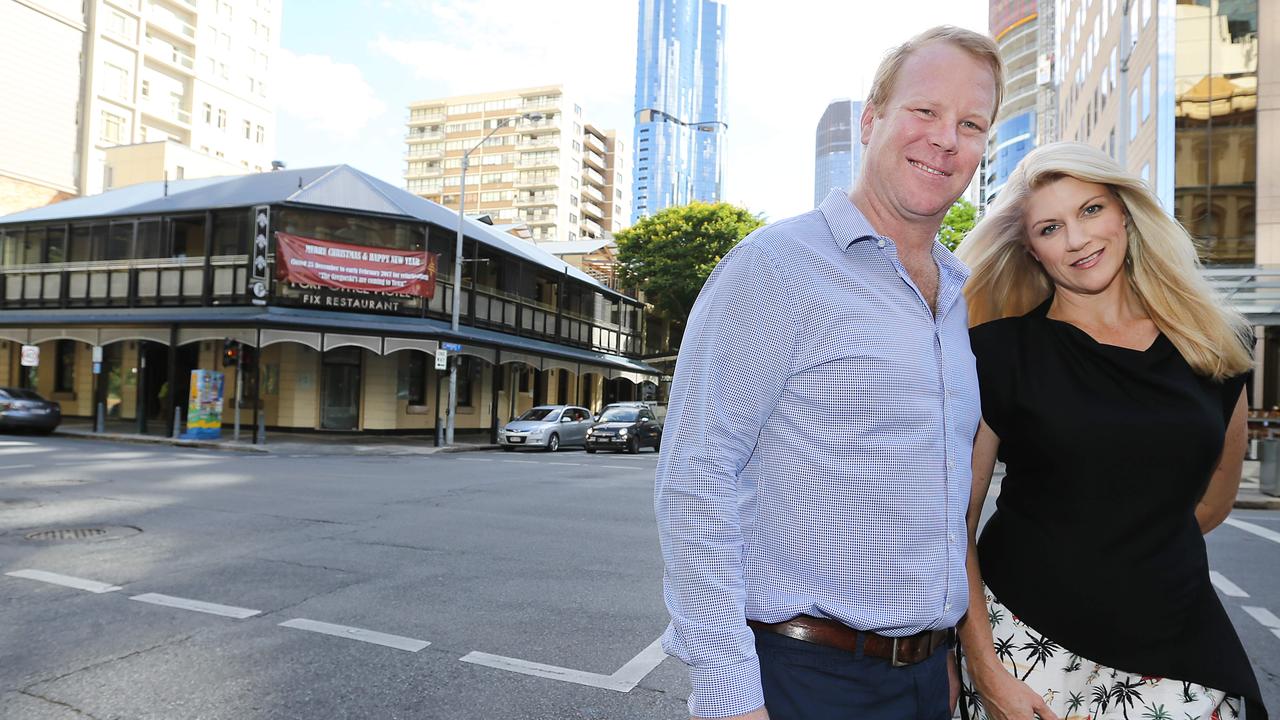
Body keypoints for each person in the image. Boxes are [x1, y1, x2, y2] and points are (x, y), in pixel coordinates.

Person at [654, 25, 1004, 720]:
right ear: (872, 119)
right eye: (925, 111)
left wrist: (948, 663)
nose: (945, 139)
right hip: (802, 681)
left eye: (970, 124)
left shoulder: (962, 299)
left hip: (928, 680)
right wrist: (732, 698)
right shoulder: (776, 267)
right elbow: (695, 477)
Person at [954, 142, 1267, 720]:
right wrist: (982, 667)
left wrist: (1128, 550)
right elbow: (955, 522)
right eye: (1051, 227)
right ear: (1031, 248)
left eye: (1091, 210)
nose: (1077, 239)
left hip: (1179, 645)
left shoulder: (1215, 343)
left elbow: (1216, 496)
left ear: (1125, 211)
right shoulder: (996, 354)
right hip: (1025, 648)